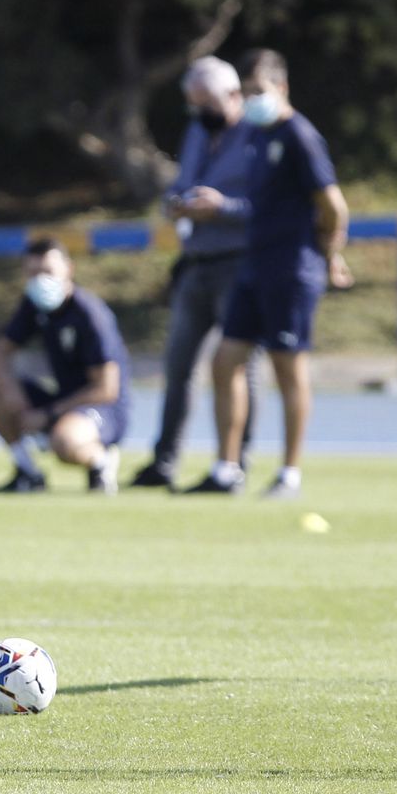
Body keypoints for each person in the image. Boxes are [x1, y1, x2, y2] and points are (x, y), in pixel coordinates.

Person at [190, 49, 352, 498]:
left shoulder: (299, 135)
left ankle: (289, 473)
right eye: (245, 93)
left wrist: (328, 252)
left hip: (291, 270)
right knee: (225, 361)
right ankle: (227, 468)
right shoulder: (257, 136)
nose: (251, 100)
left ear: (281, 89)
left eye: (258, 91)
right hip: (254, 266)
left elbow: (333, 206)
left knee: (288, 369)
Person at [129, 57, 260, 490]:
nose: (200, 112)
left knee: (238, 367)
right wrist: (176, 202)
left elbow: (273, 208)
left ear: (233, 95)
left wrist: (222, 207)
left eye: (207, 103)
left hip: (240, 264)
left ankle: (234, 462)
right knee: (179, 366)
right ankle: (164, 461)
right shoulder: (197, 133)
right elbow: (182, 182)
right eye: (194, 104)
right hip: (196, 264)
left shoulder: (259, 138)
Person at [0, 238, 130, 494]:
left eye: (47, 272)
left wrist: (48, 415)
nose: (40, 281)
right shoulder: (33, 305)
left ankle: (101, 462)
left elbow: (106, 389)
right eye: (33, 274)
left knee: (64, 442)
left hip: (102, 409)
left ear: (68, 269)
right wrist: (9, 387)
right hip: (62, 400)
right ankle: (28, 472)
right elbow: (1, 351)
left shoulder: (90, 316)